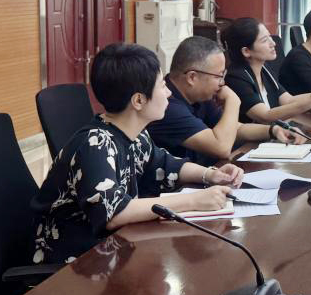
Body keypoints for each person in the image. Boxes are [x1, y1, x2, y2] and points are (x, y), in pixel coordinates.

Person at [31, 43, 244, 265]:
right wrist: (193, 200)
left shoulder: (135, 135)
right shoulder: (95, 144)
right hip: (73, 262)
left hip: (111, 249)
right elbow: (114, 213)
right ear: (139, 101)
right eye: (162, 86)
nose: (169, 93)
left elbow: (166, 165)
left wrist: (211, 175)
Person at [147, 36, 304, 167]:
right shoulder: (167, 106)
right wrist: (233, 100)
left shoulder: (199, 96)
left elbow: (234, 128)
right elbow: (221, 147)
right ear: (192, 77)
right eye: (219, 76)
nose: (222, 83)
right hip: (178, 188)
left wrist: (273, 130)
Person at [223, 17, 311, 123]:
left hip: (274, 135)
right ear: (246, 51)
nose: (273, 43)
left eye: (270, 37)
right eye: (265, 40)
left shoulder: (264, 69)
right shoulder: (236, 77)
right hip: (254, 141)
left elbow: (288, 100)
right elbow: (265, 116)